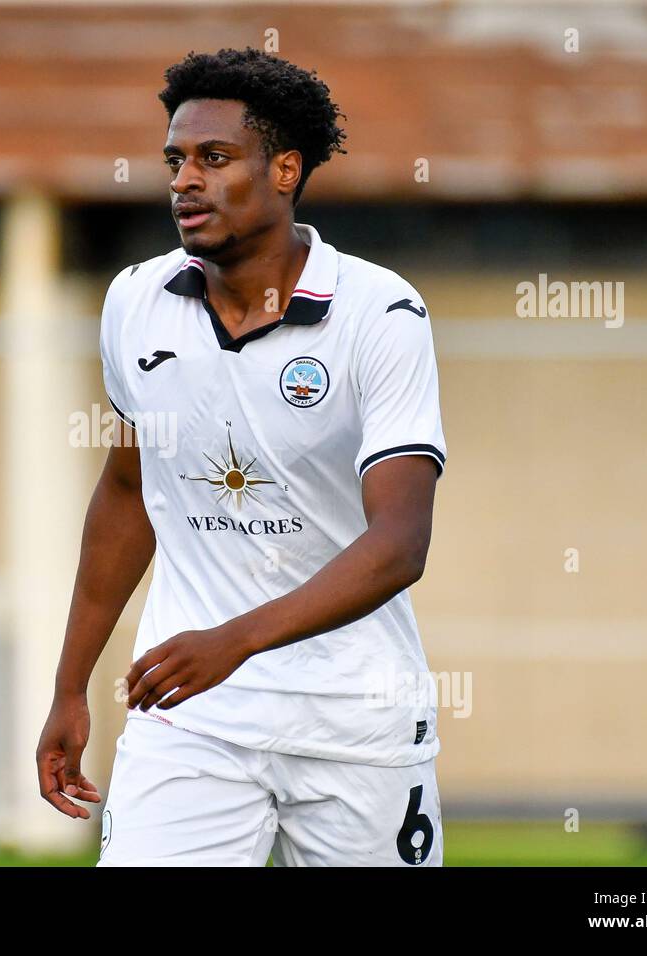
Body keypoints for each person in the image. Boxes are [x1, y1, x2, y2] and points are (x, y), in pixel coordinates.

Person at [36, 47, 447, 866]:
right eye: (175, 161)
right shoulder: (135, 302)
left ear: (286, 169)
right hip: (191, 723)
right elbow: (127, 494)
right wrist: (70, 684)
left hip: (354, 722)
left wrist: (233, 641)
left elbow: (399, 544)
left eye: (214, 159)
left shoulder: (382, 312)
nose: (185, 180)